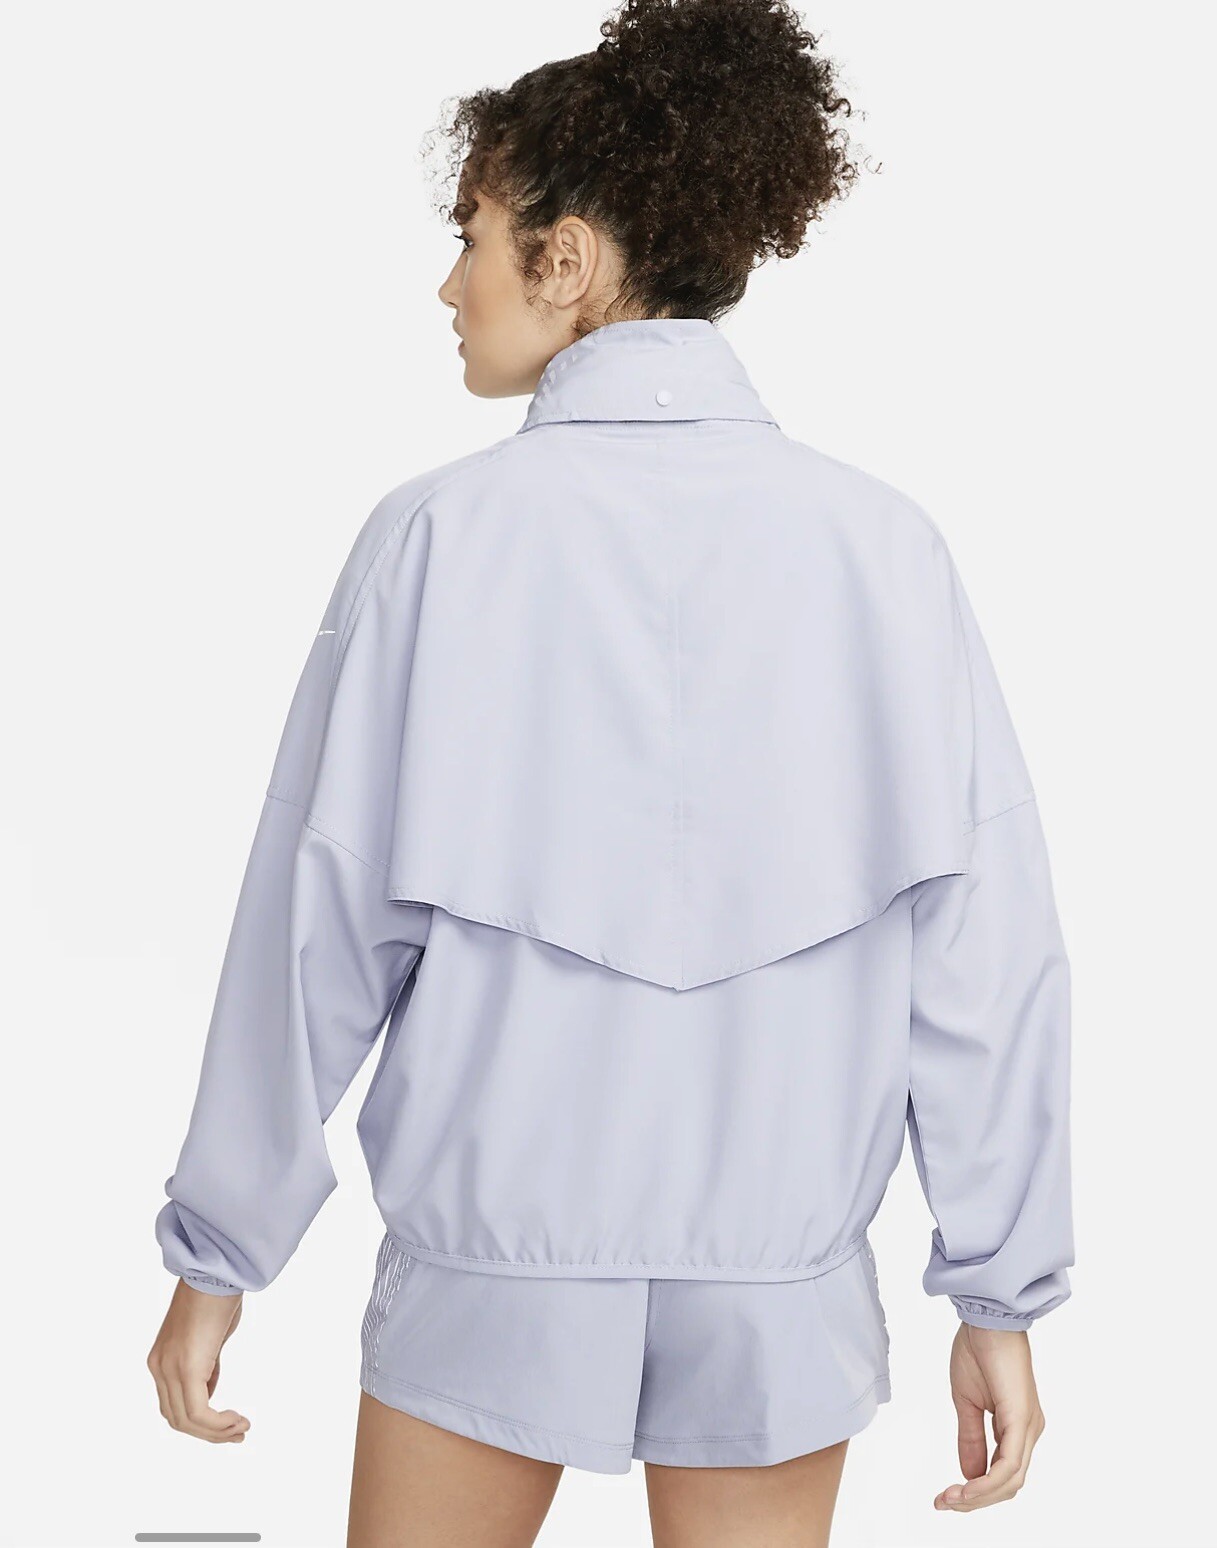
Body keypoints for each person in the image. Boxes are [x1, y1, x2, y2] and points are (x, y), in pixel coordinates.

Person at [145, 2, 1074, 1544]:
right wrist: (998, 1291)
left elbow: (315, 916)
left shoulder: (437, 540)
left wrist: (218, 1248)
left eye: (471, 236)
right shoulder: (881, 549)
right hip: (778, 1279)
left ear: (565, 260)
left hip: (487, 1266)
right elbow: (983, 954)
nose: (448, 284)